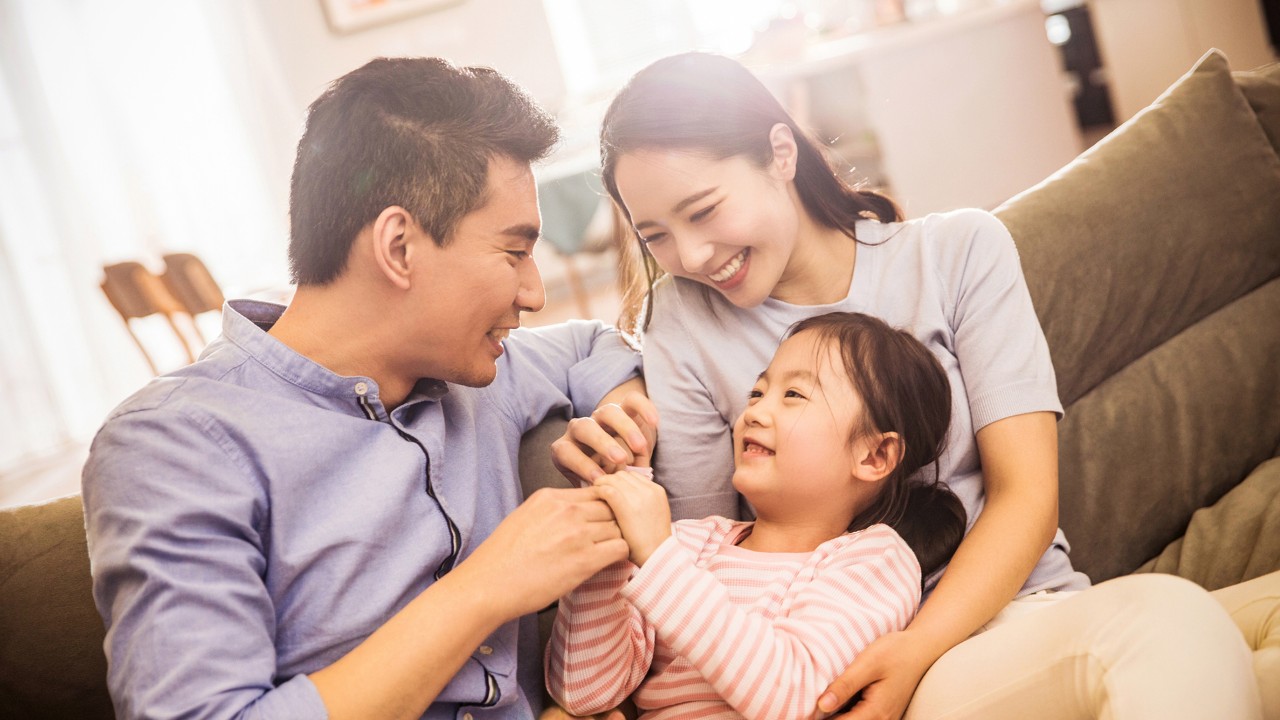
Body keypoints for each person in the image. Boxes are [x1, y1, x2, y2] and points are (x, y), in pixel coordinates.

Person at [551, 52, 1278, 719]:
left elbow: (1026, 493)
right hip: (877, 665)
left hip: (1023, 616)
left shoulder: (959, 252)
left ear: (779, 154)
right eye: (657, 237)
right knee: (1161, 623)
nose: (694, 255)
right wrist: (622, 394)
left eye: (704, 210)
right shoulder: (682, 318)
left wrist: (920, 644)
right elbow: (705, 554)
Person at [81, 57, 648, 720]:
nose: (534, 291)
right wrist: (486, 588)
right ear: (399, 246)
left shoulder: (480, 370)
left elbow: (590, 345)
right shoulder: (175, 446)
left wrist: (622, 406)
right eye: (513, 252)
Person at [547, 312, 967, 719]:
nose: (754, 412)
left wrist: (657, 557)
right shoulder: (689, 543)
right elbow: (587, 692)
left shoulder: (874, 560)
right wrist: (610, 518)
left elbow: (795, 698)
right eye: (757, 393)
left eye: (793, 395)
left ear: (875, 456)